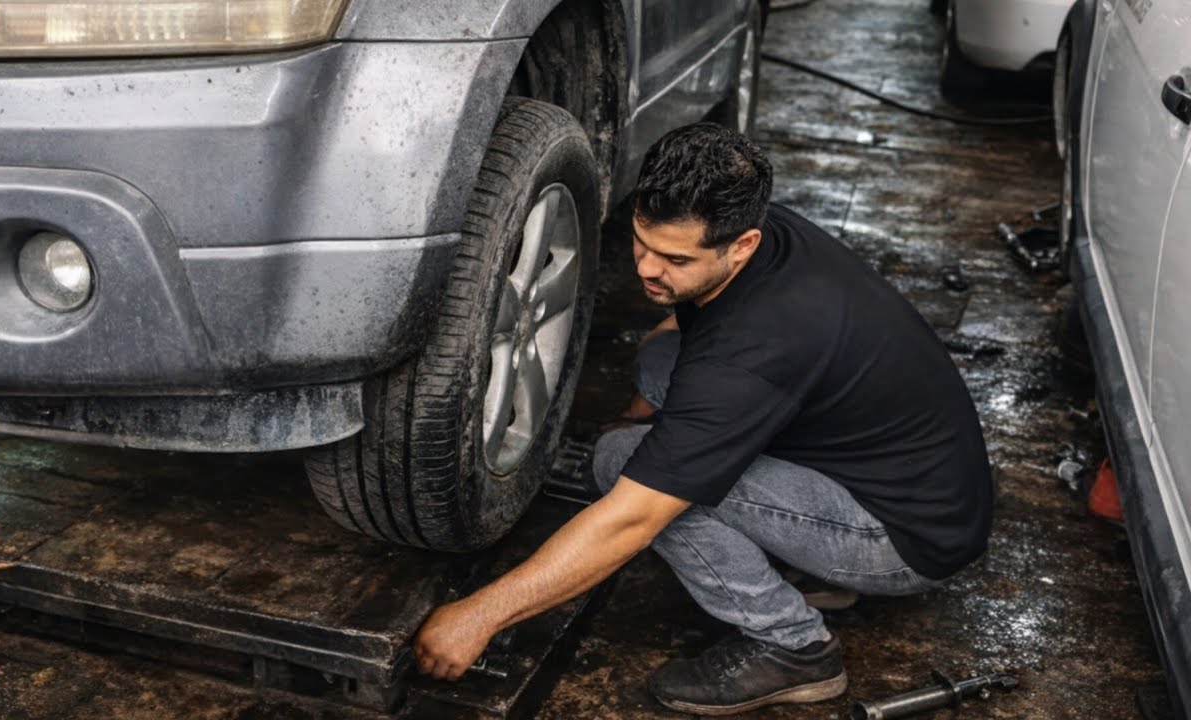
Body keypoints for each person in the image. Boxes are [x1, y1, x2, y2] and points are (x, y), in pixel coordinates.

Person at [413, 123, 992, 715]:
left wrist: (479, 614)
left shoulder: (754, 352)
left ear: (740, 245)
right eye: (641, 242)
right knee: (662, 359)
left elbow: (629, 521)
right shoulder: (758, 236)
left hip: (902, 537)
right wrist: (648, 409)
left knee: (623, 466)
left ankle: (794, 646)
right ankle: (807, 564)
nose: (645, 269)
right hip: (903, 474)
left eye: (674, 258)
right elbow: (685, 338)